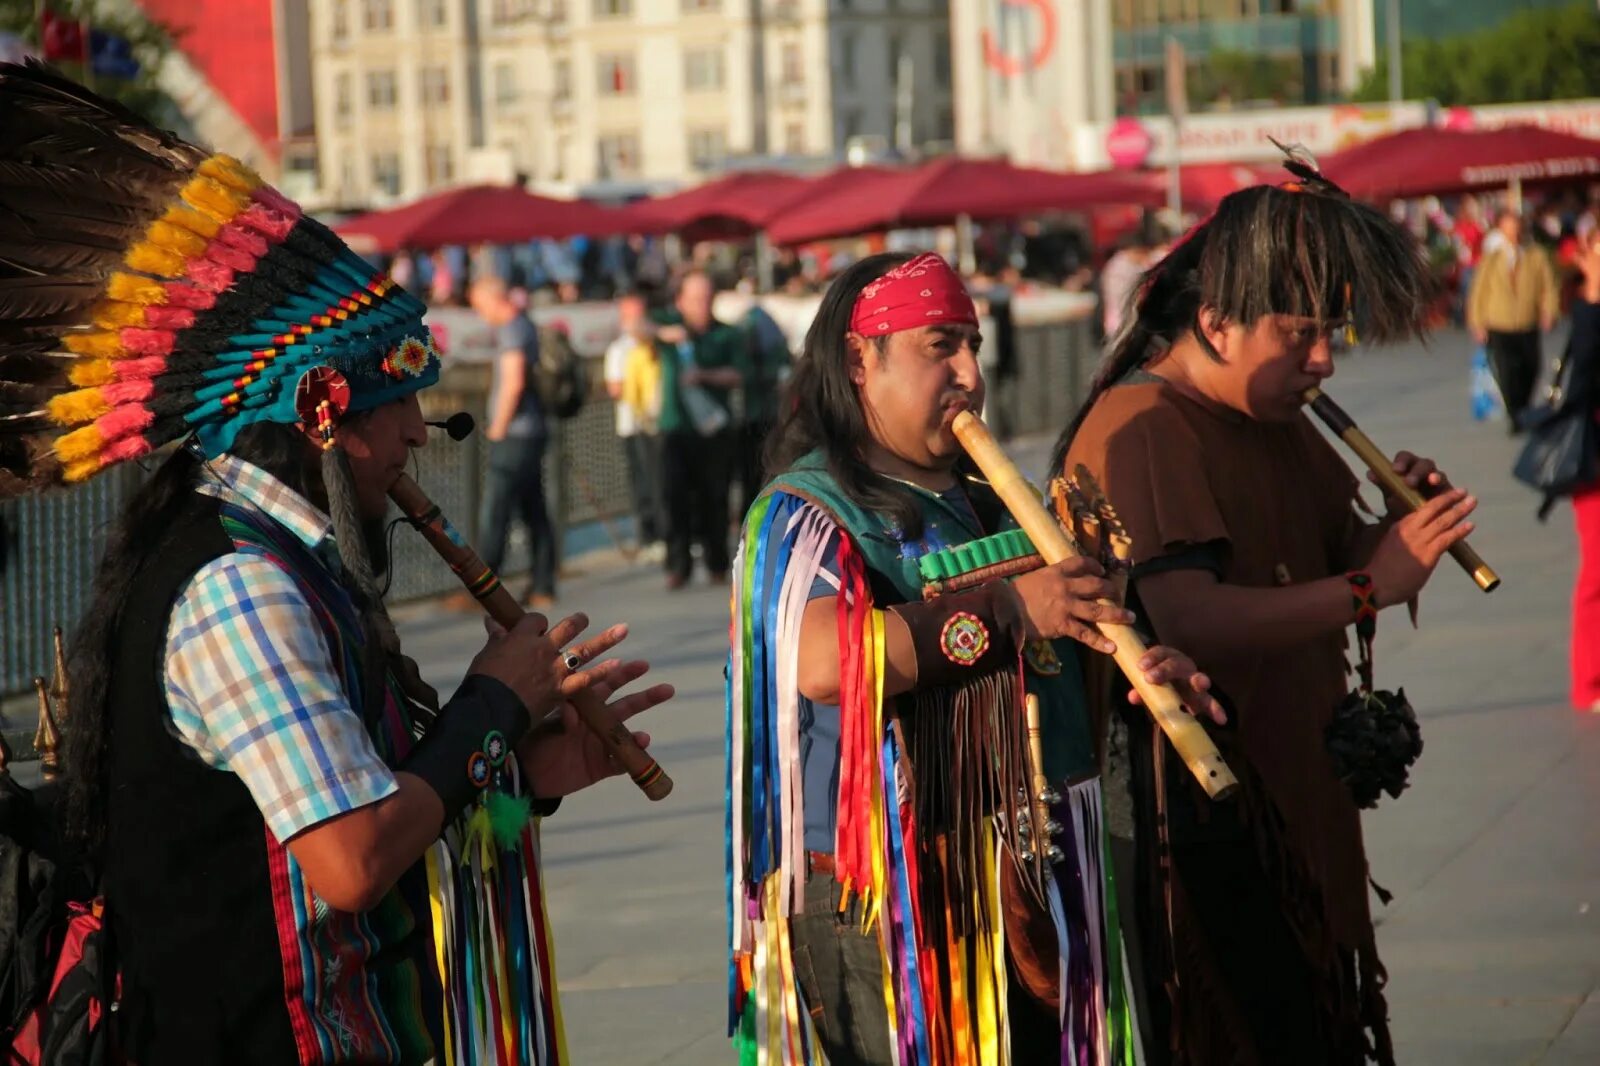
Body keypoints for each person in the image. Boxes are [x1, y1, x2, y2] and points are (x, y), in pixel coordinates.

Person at [0, 62, 671, 1064]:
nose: (416, 430)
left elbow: (364, 805)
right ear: (320, 414)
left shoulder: (291, 564)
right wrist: (487, 702)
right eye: (395, 400)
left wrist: (526, 769)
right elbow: (350, 859)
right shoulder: (238, 585)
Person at [726, 252, 1224, 1065]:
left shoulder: (993, 498)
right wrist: (1010, 608)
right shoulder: (805, 511)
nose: (969, 373)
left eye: (974, 346)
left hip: (1034, 868)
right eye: (939, 346)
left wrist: (1125, 668)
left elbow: (1047, 659)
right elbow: (824, 660)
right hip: (891, 896)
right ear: (860, 361)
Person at [1057, 175, 1477, 1065]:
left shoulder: (1273, 415)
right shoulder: (1145, 423)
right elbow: (1190, 616)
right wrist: (1372, 588)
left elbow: (1324, 557)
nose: (1323, 360)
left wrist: (1401, 534)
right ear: (1215, 323)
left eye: (1332, 334)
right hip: (1209, 823)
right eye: (1300, 335)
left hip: (1299, 800)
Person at [468, 274, 558, 608]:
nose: (481, 315)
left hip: (515, 435)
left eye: (480, 306)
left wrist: (497, 427)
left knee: (496, 509)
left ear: (494, 299)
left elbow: (514, 381)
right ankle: (543, 583)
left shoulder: (513, 330)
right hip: (530, 431)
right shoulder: (525, 325)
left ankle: (484, 587)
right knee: (533, 509)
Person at [656, 269, 744, 589]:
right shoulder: (669, 328)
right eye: (694, 299)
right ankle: (678, 565)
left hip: (713, 430)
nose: (701, 305)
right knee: (674, 497)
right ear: (680, 301)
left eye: (706, 298)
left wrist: (703, 376)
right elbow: (633, 323)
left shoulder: (726, 334)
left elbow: (738, 374)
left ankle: (717, 563)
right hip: (676, 428)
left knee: (715, 498)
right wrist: (663, 333)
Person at [1469, 208, 1560, 431]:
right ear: (1501, 230)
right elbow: (1478, 292)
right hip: (1500, 323)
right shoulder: (1492, 259)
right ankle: (1515, 413)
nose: (1514, 234)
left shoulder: (1535, 255)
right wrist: (1477, 322)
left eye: (1517, 228)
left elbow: (1549, 286)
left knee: (1531, 367)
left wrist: (1549, 311)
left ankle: (1524, 407)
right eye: (1509, 229)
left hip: (1527, 322)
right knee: (1507, 371)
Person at [603, 291, 664, 552]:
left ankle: (660, 533)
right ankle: (649, 535)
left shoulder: (653, 343)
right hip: (634, 424)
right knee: (643, 482)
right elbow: (615, 388)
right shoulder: (620, 349)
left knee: (657, 480)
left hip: (656, 422)